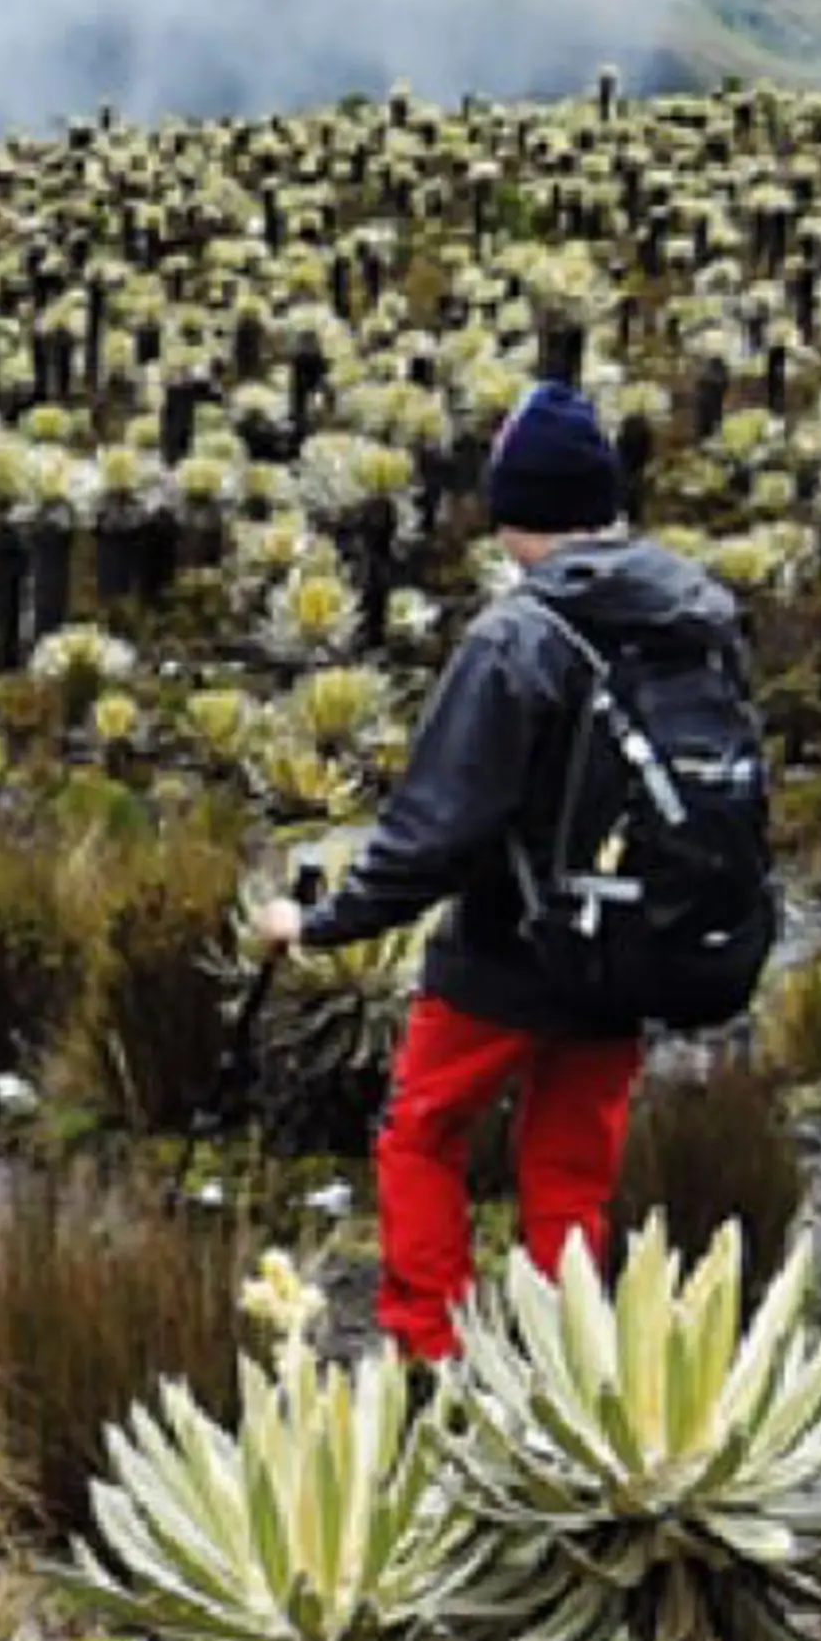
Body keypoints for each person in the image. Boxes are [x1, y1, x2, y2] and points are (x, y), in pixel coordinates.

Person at [251, 382, 758, 1364]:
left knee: (421, 1135)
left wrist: (318, 926)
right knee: (571, 1164)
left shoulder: (515, 636)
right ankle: (565, 1363)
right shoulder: (700, 610)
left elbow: (433, 832)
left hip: (508, 949)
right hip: (643, 939)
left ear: (511, 509)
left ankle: (430, 1350)